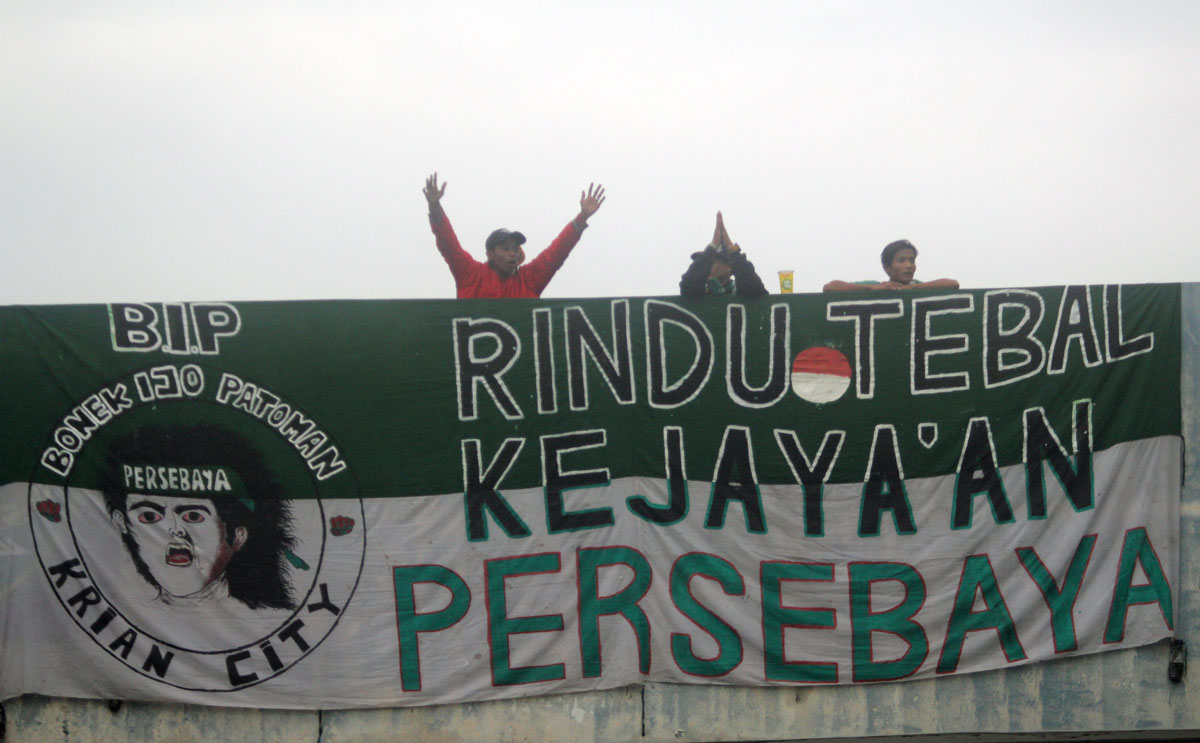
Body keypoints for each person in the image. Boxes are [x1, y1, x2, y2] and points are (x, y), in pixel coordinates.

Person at [102, 424, 297, 610]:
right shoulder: (116, 609)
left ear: (238, 535)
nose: (174, 529)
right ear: (123, 522)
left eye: (193, 516)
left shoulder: (266, 618)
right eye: (150, 516)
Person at [423, 173, 606, 298]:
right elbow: (449, 245)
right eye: (505, 248)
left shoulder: (529, 280)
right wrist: (434, 207)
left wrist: (582, 217)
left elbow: (556, 253)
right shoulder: (471, 275)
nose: (513, 253)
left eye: (515, 248)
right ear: (490, 254)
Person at [679, 211, 768, 297]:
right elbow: (688, 284)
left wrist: (732, 249)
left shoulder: (743, 293)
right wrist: (712, 246)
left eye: (713, 260)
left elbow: (754, 287)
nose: (707, 265)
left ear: (728, 266)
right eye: (707, 261)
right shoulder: (698, 295)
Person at [823, 239, 959, 292]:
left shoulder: (919, 286)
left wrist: (913, 287)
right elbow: (830, 288)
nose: (909, 265)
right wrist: (871, 288)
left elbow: (953, 284)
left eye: (911, 260)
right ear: (887, 267)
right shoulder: (875, 285)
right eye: (901, 260)